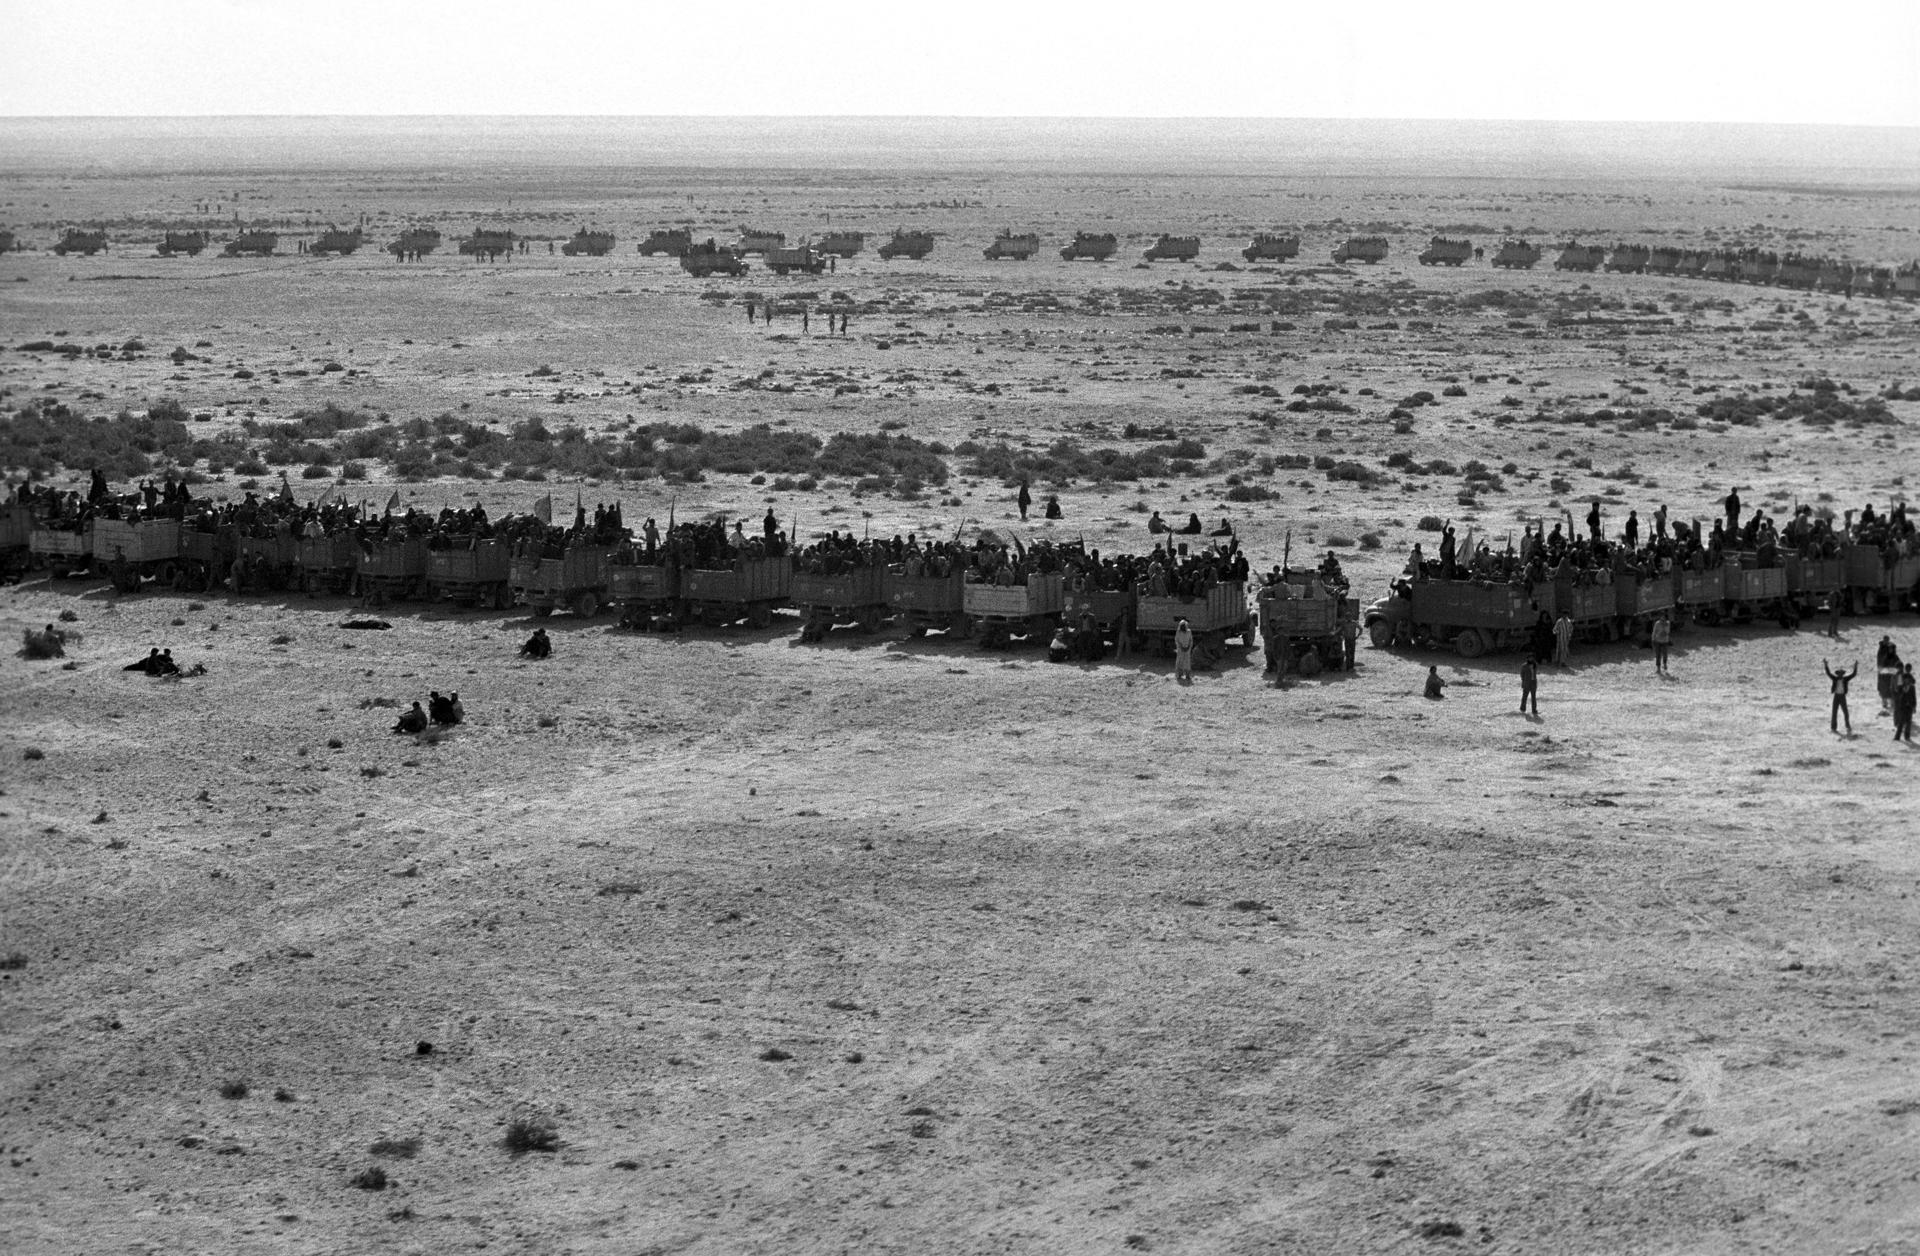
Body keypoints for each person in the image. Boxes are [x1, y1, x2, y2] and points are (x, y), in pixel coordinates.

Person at [1825, 658, 1859, 735]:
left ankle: (1847, 725)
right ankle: (1833, 727)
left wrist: (1855, 666)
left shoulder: (1845, 679)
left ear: (1842, 674)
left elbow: (1853, 674)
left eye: (1841, 673)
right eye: (1839, 673)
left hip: (1842, 696)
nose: (1840, 675)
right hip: (1836, 696)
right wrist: (1826, 665)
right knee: (1834, 712)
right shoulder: (1835, 679)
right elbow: (1828, 673)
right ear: (1838, 674)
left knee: (1845, 712)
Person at [1876, 636, 1899, 713]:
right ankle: (1884, 704)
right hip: (1883, 676)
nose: (1891, 650)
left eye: (1892, 649)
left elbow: (1899, 665)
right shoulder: (1881, 650)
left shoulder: (1895, 656)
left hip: (1891, 676)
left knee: (1892, 689)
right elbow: (1880, 662)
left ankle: (1893, 705)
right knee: (1883, 689)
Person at [1895, 664, 1916, 743]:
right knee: (1901, 722)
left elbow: (1914, 697)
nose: (1907, 681)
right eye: (1906, 680)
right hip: (1902, 705)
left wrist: (1914, 706)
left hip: (1909, 706)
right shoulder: (1901, 686)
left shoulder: (1912, 687)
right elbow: (1898, 692)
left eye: (1908, 680)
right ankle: (1897, 737)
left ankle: (1907, 736)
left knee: (1909, 722)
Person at [1174, 619, 1194, 683]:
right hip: (1180, 650)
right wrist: (1181, 647)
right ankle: (1179, 675)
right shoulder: (1178, 632)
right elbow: (1177, 640)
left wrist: (1188, 647)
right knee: (1180, 662)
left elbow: (1191, 640)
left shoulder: (1189, 631)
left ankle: (1187, 675)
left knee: (1187, 662)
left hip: (1187, 650)